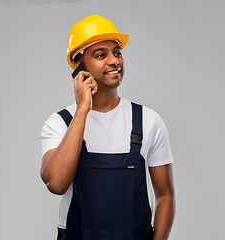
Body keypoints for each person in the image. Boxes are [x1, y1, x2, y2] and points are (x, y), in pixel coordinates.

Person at [40, 14, 175, 240]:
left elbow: (165, 195)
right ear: (78, 66)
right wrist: (83, 109)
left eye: (117, 52)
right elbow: (57, 184)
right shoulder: (59, 123)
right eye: (101, 55)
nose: (114, 61)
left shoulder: (148, 121)